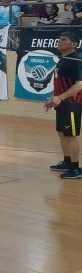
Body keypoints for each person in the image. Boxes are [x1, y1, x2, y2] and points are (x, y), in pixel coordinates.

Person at [44, 31, 82, 179]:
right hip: (63, 104)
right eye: (59, 39)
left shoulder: (75, 60)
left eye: (63, 39)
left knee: (71, 135)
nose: (59, 41)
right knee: (62, 133)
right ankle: (67, 162)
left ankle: (76, 169)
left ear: (73, 44)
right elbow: (62, 85)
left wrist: (60, 97)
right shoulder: (63, 59)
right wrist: (53, 99)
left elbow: (80, 85)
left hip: (72, 104)